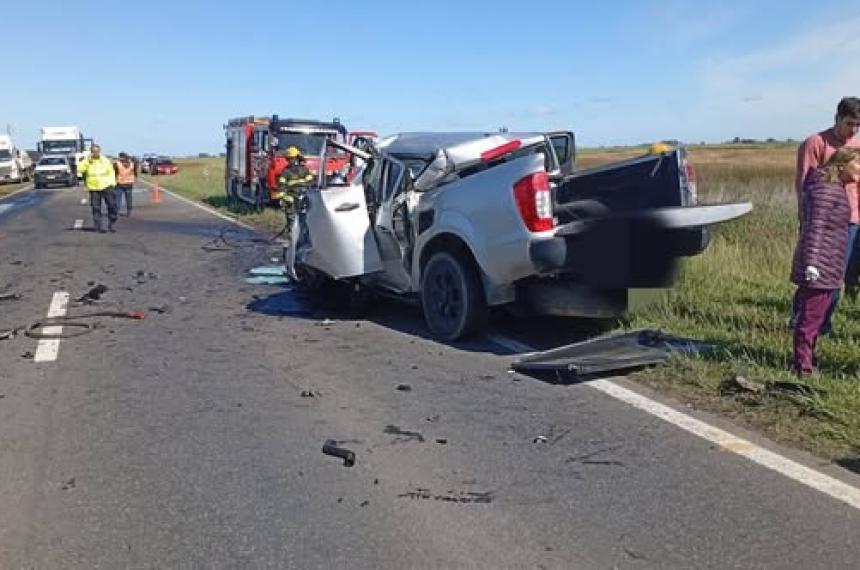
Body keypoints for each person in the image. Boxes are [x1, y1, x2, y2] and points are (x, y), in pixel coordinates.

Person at [792, 97, 860, 333]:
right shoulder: (815, 143)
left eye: (858, 125)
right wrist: (807, 223)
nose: (853, 130)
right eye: (850, 123)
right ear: (837, 119)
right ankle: (802, 322)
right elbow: (804, 185)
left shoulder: (857, 145)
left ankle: (821, 325)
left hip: (852, 220)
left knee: (838, 277)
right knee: (816, 277)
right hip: (823, 222)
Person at [790, 147, 860, 374]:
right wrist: (811, 263)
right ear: (842, 165)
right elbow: (815, 228)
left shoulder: (834, 188)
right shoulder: (826, 190)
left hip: (828, 263)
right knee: (810, 319)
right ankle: (803, 367)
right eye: (858, 164)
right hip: (820, 264)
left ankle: (809, 359)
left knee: (816, 317)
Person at [277, 146, 314, 280]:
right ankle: (290, 265)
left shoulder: (304, 170)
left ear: (297, 157)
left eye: (292, 158)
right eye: (289, 159)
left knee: (305, 232)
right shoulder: (285, 172)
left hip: (304, 204)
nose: (291, 160)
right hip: (292, 205)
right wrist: (286, 199)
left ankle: (302, 261)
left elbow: (311, 182)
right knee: (293, 235)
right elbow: (281, 190)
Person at [77, 144, 118, 233]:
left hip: (106, 186)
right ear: (91, 152)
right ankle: (98, 226)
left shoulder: (105, 160)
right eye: (93, 152)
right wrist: (88, 161)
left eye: (97, 151)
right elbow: (80, 169)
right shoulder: (87, 161)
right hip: (94, 188)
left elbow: (111, 172)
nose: (95, 153)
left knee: (112, 205)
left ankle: (112, 221)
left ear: (100, 152)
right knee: (96, 208)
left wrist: (112, 183)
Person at [114, 152, 136, 216]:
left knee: (118, 198)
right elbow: (134, 172)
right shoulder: (132, 164)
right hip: (129, 183)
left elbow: (115, 173)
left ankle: (117, 211)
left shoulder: (117, 164)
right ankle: (129, 211)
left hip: (120, 183)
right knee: (129, 198)